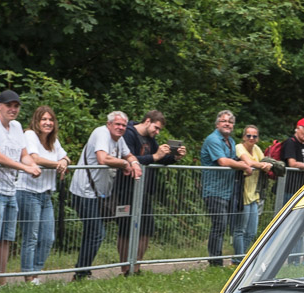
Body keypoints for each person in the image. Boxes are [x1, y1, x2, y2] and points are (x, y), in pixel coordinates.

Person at [0, 90, 41, 287]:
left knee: (6, 238)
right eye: (9, 105)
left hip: (9, 188)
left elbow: (24, 154)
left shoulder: (17, 126)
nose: (12, 109)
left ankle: (1, 283)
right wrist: (25, 168)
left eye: (16, 106)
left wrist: (32, 165)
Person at [68, 111, 140, 278]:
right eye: (117, 124)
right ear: (109, 125)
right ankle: (81, 272)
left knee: (92, 232)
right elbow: (102, 158)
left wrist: (134, 163)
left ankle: (82, 271)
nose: (121, 128)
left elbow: (128, 154)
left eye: (123, 125)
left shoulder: (118, 139)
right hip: (85, 192)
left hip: (99, 194)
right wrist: (124, 164)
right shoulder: (101, 133)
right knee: (96, 233)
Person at [118, 110, 185, 272]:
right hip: (126, 189)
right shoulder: (128, 134)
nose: (157, 132)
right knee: (126, 230)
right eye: (156, 128)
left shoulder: (150, 138)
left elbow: (159, 159)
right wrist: (155, 156)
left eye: (159, 130)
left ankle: (137, 266)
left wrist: (175, 157)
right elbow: (128, 158)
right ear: (147, 121)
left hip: (145, 191)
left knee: (147, 228)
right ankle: (126, 268)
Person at [15, 105, 68, 283]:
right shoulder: (29, 135)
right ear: (37, 121)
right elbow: (34, 158)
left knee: (48, 237)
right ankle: (29, 277)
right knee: (31, 237)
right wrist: (57, 165)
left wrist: (63, 161)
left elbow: (65, 157)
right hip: (28, 191)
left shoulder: (53, 140)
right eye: (44, 119)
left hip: (45, 194)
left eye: (50, 119)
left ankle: (36, 273)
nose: (47, 123)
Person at [199, 110, 250, 267]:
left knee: (224, 226)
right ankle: (215, 262)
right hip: (213, 190)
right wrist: (243, 166)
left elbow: (232, 159)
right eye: (223, 121)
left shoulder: (231, 141)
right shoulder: (213, 139)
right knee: (219, 225)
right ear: (217, 124)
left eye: (230, 122)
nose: (227, 124)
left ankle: (218, 260)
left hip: (228, 191)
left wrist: (244, 164)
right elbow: (222, 161)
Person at [231, 124, 272, 264]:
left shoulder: (257, 149)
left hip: (255, 193)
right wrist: (262, 166)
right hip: (242, 194)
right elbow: (248, 162)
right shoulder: (239, 147)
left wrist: (264, 166)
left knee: (252, 231)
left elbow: (265, 162)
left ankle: (243, 258)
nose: (251, 138)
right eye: (248, 135)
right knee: (240, 229)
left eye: (254, 136)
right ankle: (237, 259)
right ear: (244, 137)